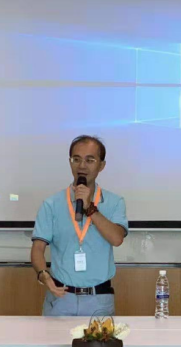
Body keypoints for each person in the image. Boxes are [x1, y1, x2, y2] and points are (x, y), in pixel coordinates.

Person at [30, 135, 128, 316]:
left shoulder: (114, 202)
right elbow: (37, 248)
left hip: (99, 299)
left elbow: (117, 239)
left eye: (90, 160)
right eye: (76, 159)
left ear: (101, 165)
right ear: (70, 162)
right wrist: (43, 274)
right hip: (61, 297)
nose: (82, 166)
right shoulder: (51, 204)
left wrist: (90, 207)